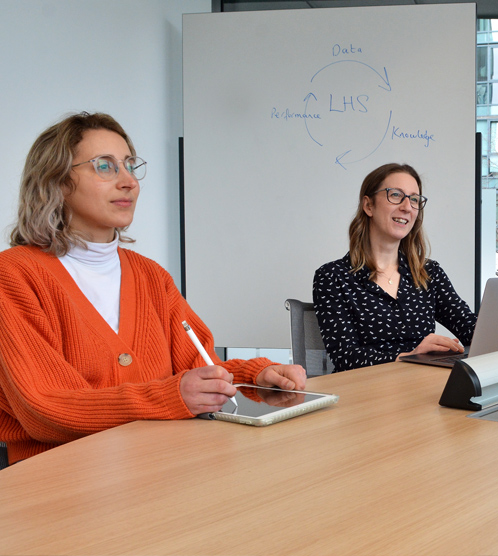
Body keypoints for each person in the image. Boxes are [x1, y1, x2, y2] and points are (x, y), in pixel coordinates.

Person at [0, 112, 306, 465]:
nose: (128, 181)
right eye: (105, 166)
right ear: (56, 181)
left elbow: (196, 369)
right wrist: (168, 397)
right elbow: (45, 408)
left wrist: (255, 375)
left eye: (130, 165)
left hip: (158, 473)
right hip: (59, 489)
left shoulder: (150, 276)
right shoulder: (14, 276)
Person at [313, 162, 498, 372]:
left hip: (420, 391)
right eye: (396, 195)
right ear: (368, 204)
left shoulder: (428, 273)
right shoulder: (333, 278)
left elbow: (470, 328)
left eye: (415, 199)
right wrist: (410, 355)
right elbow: (345, 357)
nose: (407, 206)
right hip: (365, 400)